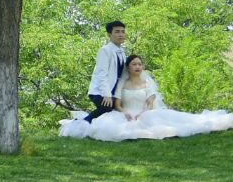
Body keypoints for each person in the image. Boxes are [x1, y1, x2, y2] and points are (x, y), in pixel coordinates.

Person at [60, 54, 233, 141]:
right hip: (125, 113)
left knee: (172, 121)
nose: (138, 67)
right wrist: (125, 113)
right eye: (134, 64)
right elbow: (118, 104)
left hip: (145, 112)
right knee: (113, 129)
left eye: (140, 64)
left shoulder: (146, 82)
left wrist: (142, 112)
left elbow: (150, 102)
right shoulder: (122, 83)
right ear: (128, 67)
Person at [84, 20, 129, 121]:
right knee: (106, 107)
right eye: (117, 32)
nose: (121, 34)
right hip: (100, 91)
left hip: (115, 90)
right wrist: (106, 94)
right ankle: (82, 124)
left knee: (118, 110)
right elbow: (101, 74)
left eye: (122, 31)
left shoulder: (122, 52)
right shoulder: (105, 50)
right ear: (109, 34)